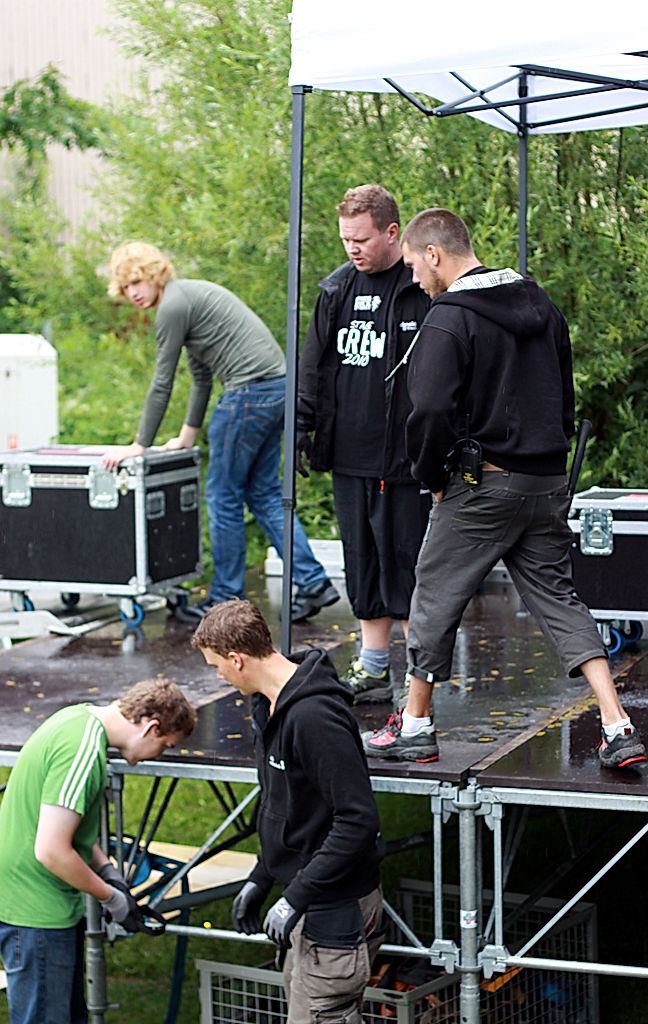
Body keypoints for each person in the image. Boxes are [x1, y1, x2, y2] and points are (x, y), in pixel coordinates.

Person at [362, 207, 647, 771]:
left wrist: (431, 478)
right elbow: (564, 395)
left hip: (481, 486)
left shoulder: (448, 317)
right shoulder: (543, 307)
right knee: (561, 603)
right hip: (545, 484)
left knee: (434, 594)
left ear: (436, 254)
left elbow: (430, 409)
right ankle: (618, 725)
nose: (415, 279)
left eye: (417, 265)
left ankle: (415, 725)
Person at [104, 242, 339, 622]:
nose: (133, 293)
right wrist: (187, 435)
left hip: (249, 394)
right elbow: (200, 377)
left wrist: (139, 445)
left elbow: (162, 382)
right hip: (277, 389)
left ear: (153, 274)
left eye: (137, 281)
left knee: (223, 496)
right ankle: (313, 582)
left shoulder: (173, 306)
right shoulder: (188, 298)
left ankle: (225, 598)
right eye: (125, 287)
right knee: (263, 494)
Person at [192, 599, 385, 1024]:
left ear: (236, 659)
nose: (217, 676)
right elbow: (288, 809)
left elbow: (357, 820)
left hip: (335, 908)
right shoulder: (268, 704)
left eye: (215, 666)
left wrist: (294, 897)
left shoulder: (314, 716)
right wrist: (263, 877)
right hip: (307, 902)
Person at [297, 185, 431, 701]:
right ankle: (373, 669)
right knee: (363, 564)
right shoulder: (336, 290)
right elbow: (312, 367)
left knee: (407, 568)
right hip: (350, 455)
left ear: (392, 232)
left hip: (404, 459)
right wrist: (304, 432)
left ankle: (418, 685)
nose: (352, 248)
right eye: (345, 238)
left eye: (362, 238)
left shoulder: (421, 286)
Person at [0, 678, 196, 1024]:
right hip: (35, 911)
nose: (158, 756)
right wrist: (111, 898)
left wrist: (108, 870)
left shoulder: (77, 720)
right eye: (164, 745)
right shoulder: (83, 752)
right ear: (151, 727)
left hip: (35, 903)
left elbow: (64, 827)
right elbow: (51, 850)